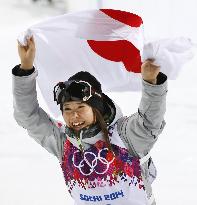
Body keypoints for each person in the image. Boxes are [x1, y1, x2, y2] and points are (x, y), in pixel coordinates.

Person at [12, 36, 167, 205]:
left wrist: (151, 82)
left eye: (80, 108)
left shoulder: (124, 136)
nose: (74, 115)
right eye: (67, 109)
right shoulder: (63, 142)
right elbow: (28, 116)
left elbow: (149, 121)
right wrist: (25, 68)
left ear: (96, 108)